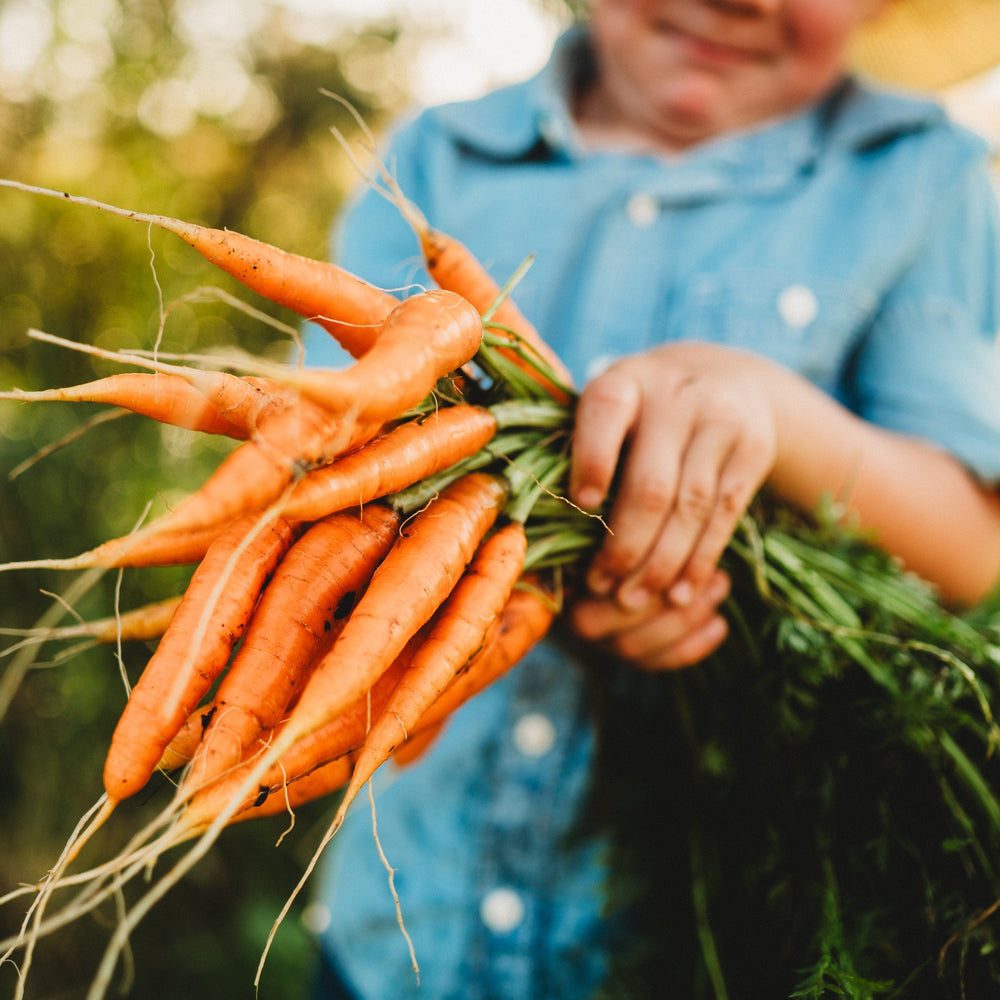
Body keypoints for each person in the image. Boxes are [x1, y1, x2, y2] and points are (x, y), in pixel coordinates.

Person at [305, 2, 1000, 997]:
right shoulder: (438, 159)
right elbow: (318, 473)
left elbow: (971, 546)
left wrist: (778, 416)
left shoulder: (920, 178)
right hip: (404, 932)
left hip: (693, 944)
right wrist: (521, 572)